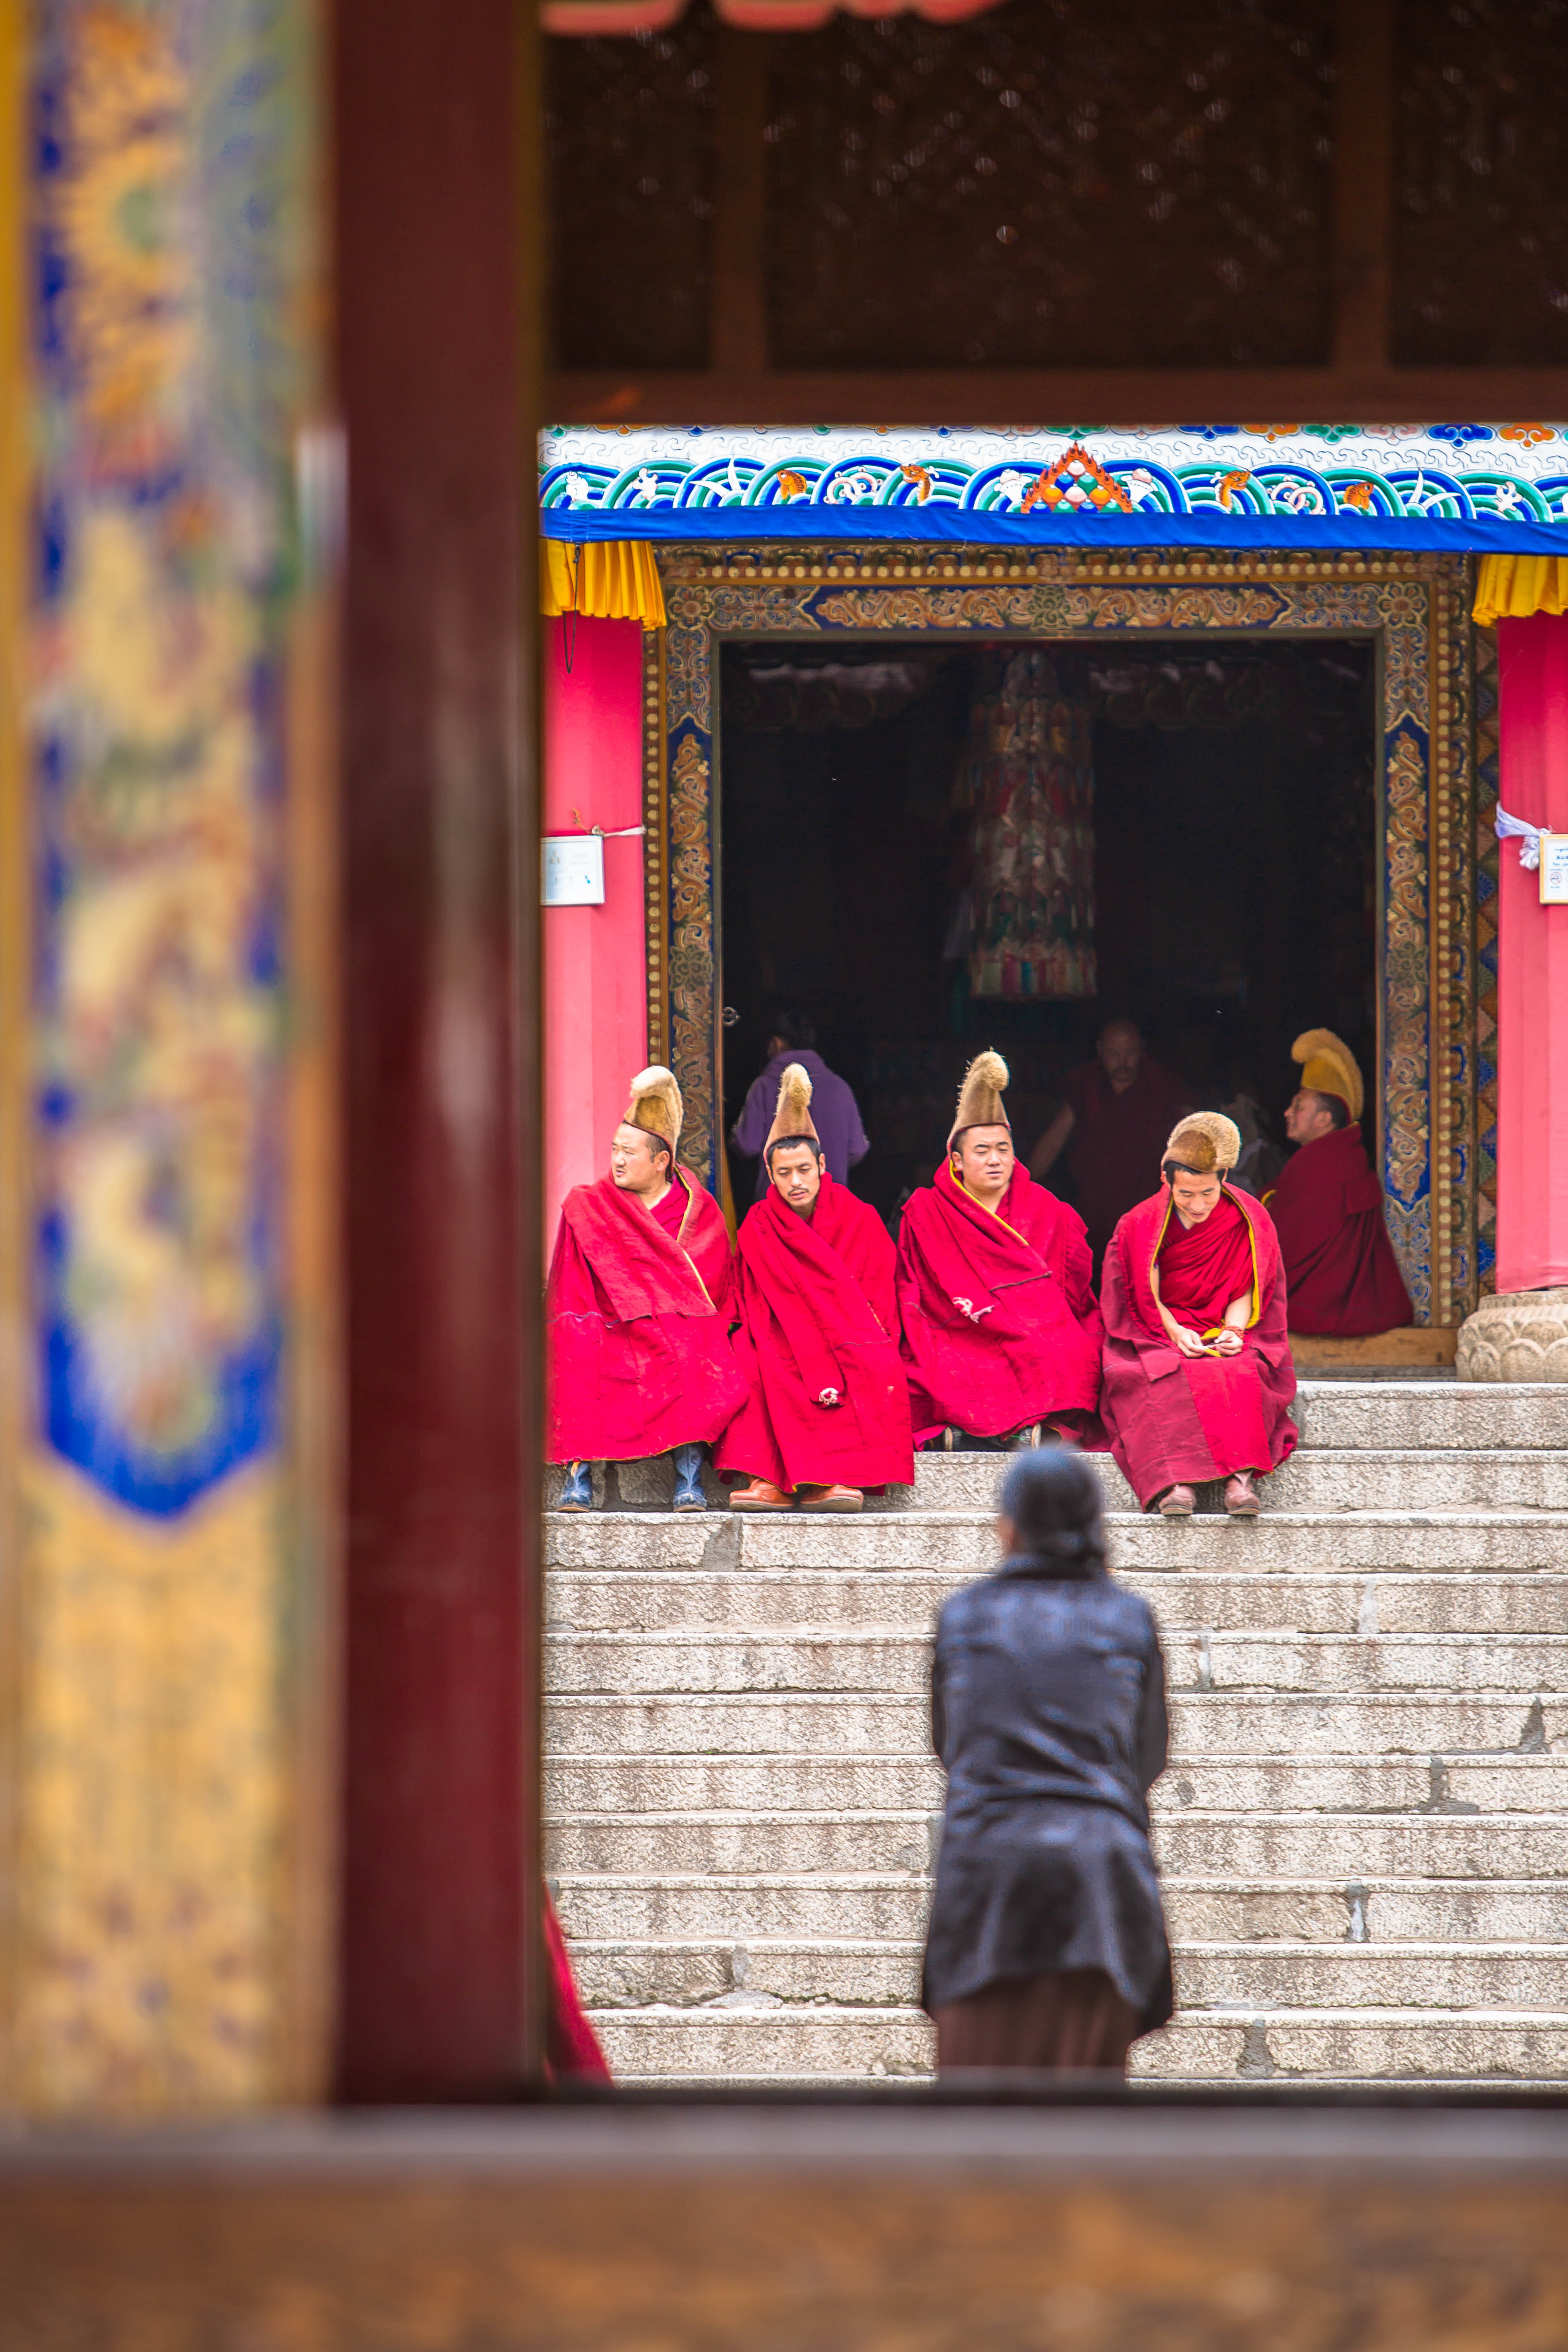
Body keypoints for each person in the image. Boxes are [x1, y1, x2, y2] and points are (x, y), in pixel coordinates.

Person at [922, 1446, 1173, 2076]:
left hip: (988, 1874)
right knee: (1084, 2119)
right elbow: (1147, 1754)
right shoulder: (1127, 1617)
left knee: (979, 2106)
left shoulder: (964, 1616)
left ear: (1009, 1527)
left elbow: (950, 1746)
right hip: (1099, 1877)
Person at [546, 1065, 746, 1512]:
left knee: (692, 1344)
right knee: (576, 1345)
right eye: (614, 1149)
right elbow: (572, 1286)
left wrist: (660, 1310)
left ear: (661, 1161)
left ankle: (688, 1477)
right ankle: (578, 1478)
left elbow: (707, 1286)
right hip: (610, 1319)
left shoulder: (697, 1208)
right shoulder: (588, 1206)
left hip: (674, 1320)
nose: (617, 1160)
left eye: (628, 1152)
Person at [718, 1061, 913, 1514]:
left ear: (822, 1164)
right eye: (783, 1173)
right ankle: (769, 1478)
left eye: (804, 1169)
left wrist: (844, 1332)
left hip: (845, 1326)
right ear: (769, 1172)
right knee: (752, 1355)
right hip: (781, 1331)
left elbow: (877, 1290)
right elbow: (745, 1297)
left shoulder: (857, 1217)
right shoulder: (758, 1226)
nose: (795, 1182)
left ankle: (838, 1477)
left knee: (866, 1355)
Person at [896, 1049, 1102, 1451]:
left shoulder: (1048, 1210)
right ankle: (1019, 1430)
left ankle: (978, 1433)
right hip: (958, 1332)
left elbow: (1073, 1295)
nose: (995, 1160)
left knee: (1070, 1354)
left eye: (1003, 1149)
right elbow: (911, 1293)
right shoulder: (926, 1212)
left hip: (1034, 1333)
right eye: (981, 1150)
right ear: (956, 1160)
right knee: (931, 1370)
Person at [1099, 1113, 1297, 1518]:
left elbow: (1247, 1285)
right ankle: (1175, 1482)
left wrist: (1233, 1330)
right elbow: (1140, 1290)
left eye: (1207, 1192)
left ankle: (1239, 1480)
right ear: (1165, 1178)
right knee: (1158, 1373)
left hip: (1220, 1324)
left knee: (1239, 1368)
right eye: (1185, 1193)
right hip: (1155, 1328)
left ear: (1224, 1175)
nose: (1197, 1204)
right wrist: (1173, 1330)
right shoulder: (1140, 1223)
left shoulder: (1247, 1218)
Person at [1268, 1028, 1414, 1338]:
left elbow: (1282, 1243)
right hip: (1356, 1304)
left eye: (1298, 1105)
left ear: (1323, 1120)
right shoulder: (1345, 1156)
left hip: (1318, 1305)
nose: (1287, 1112)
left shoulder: (1316, 1162)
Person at [1029, 1017, 1189, 1271]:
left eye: (1130, 1053)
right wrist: (1023, 1185)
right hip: (1095, 1208)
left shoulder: (1162, 1087)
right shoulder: (1086, 1087)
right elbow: (1054, 1140)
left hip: (1147, 1209)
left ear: (1141, 1050)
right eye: (1114, 1053)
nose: (1122, 1061)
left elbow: (1189, 1142)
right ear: (1100, 1050)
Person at [731, 1011, 870, 1201]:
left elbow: (746, 1145)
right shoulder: (840, 1087)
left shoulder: (764, 1086)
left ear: (777, 1043)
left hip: (777, 1211)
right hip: (831, 1209)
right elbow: (857, 1150)